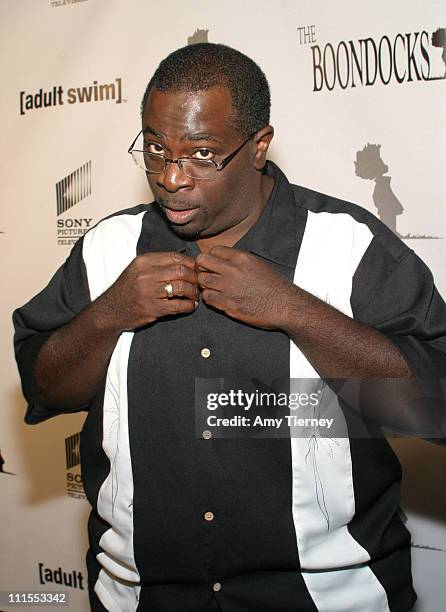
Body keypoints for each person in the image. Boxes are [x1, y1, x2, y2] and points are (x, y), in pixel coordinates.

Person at [13, 43, 446, 612]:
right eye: (156, 149)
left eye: (201, 154)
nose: (170, 177)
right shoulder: (107, 248)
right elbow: (43, 387)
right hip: (138, 600)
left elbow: (436, 407)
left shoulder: (346, 244)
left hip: (326, 599)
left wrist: (293, 308)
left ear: (258, 145)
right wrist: (110, 314)